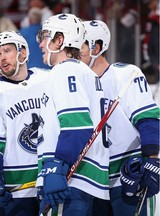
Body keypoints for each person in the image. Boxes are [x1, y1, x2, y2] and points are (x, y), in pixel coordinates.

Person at [80, 19, 159, 216]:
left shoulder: (125, 74)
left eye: (78, 46)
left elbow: (147, 119)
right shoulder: (74, 84)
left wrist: (153, 160)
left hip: (127, 177)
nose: (72, 52)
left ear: (96, 47)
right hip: (91, 181)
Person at [35, 13, 110, 216]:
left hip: (70, 178)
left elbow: (76, 127)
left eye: (45, 37)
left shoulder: (65, 70)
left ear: (60, 40)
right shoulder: (85, 72)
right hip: (85, 178)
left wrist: (57, 166)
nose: (41, 44)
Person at [0, 30, 52, 216]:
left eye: (7, 51)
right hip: (15, 188)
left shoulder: (48, 79)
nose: (2, 58)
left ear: (23, 53)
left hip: (50, 180)